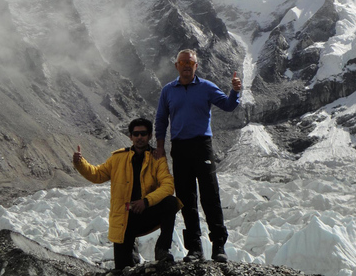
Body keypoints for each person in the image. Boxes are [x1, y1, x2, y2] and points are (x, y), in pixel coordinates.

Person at [154, 49, 241, 262]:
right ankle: (195, 249)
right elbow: (161, 119)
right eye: (182, 62)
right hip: (180, 147)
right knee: (186, 199)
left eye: (190, 62)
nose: (186, 65)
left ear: (196, 66)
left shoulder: (206, 87)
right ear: (176, 66)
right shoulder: (168, 90)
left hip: (202, 145)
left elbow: (229, 106)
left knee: (210, 195)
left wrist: (235, 91)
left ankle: (218, 246)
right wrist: (160, 147)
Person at [72, 118, 181, 270]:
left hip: (146, 212)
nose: (139, 137)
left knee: (171, 202)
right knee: (123, 268)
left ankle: (162, 249)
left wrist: (146, 201)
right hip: (124, 219)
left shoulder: (157, 159)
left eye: (143, 133)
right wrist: (80, 162)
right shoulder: (118, 158)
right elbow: (97, 175)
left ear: (149, 136)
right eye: (136, 134)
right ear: (130, 137)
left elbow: (168, 185)